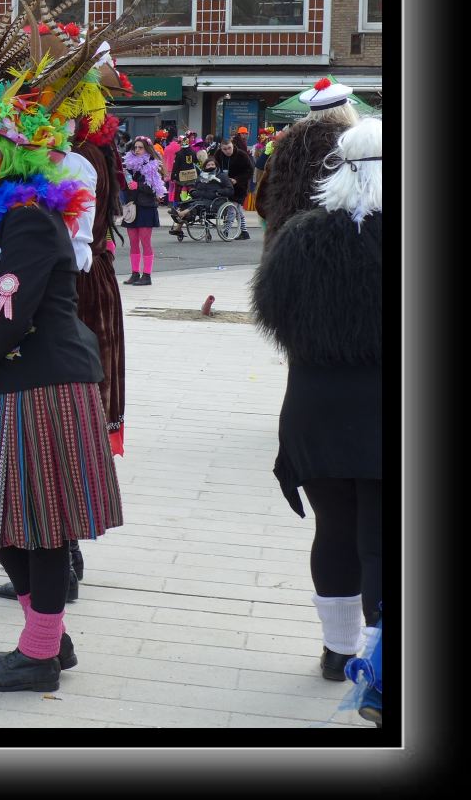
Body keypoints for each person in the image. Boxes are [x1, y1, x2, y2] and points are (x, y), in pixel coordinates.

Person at [0, 73, 119, 694]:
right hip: (18, 382)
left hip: (44, 382)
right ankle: (48, 638)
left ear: (11, 153)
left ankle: (39, 655)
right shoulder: (5, 215)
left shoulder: (29, 219)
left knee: (35, 522)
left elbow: (15, 316)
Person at [252, 119, 382, 701]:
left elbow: (274, 319)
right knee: (383, 536)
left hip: (315, 408)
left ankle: (339, 649)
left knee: (335, 526)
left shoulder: (300, 238)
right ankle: (379, 663)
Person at [256, 80, 362, 243]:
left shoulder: (285, 145)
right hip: (336, 244)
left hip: (285, 244)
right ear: (346, 110)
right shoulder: (352, 144)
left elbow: (262, 202)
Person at [121, 135, 165, 285]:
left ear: (147, 149)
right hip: (131, 207)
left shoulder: (152, 165)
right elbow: (124, 187)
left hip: (146, 207)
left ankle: (147, 275)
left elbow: (155, 189)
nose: (137, 150)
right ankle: (135, 273)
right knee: (133, 242)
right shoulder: (129, 165)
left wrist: (137, 186)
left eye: (140, 147)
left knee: (145, 241)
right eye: (135, 147)